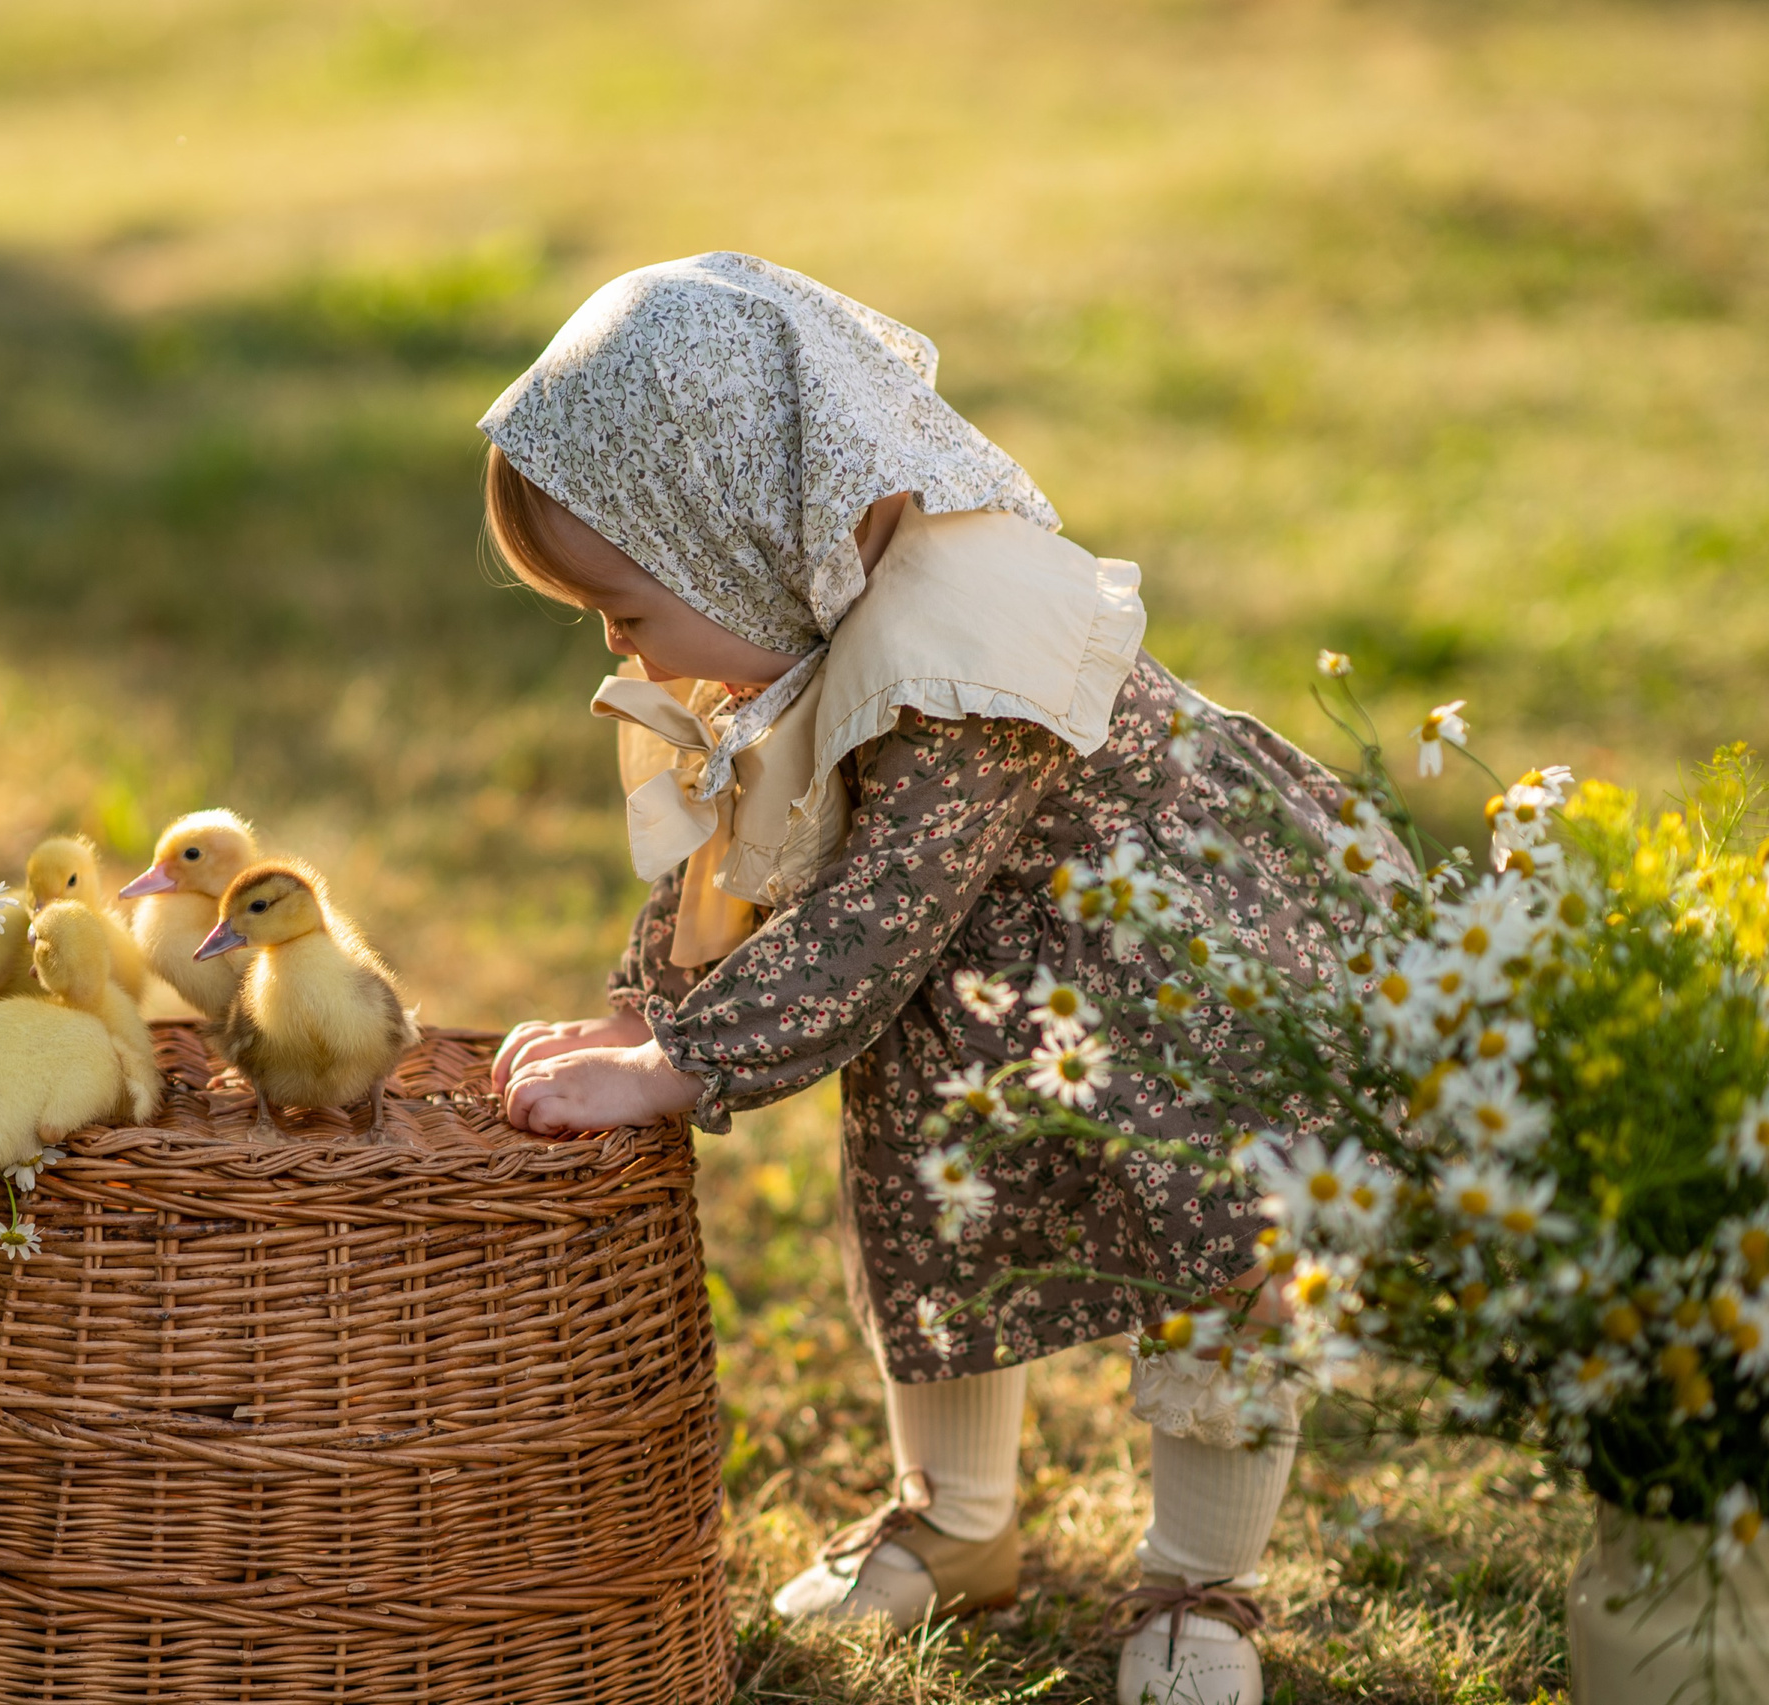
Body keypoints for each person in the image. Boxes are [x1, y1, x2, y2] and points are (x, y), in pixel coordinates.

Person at [479, 252, 1361, 1705]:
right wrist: (651, 1001)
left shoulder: (968, 643)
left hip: (1171, 982)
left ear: (740, 532)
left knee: (1215, 1244)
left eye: (622, 598)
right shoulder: (799, 623)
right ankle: (955, 1524)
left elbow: (879, 913)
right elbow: (730, 860)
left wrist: (684, 1066)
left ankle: (1205, 1583)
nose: (616, 639)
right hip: (983, 1000)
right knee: (934, 1200)